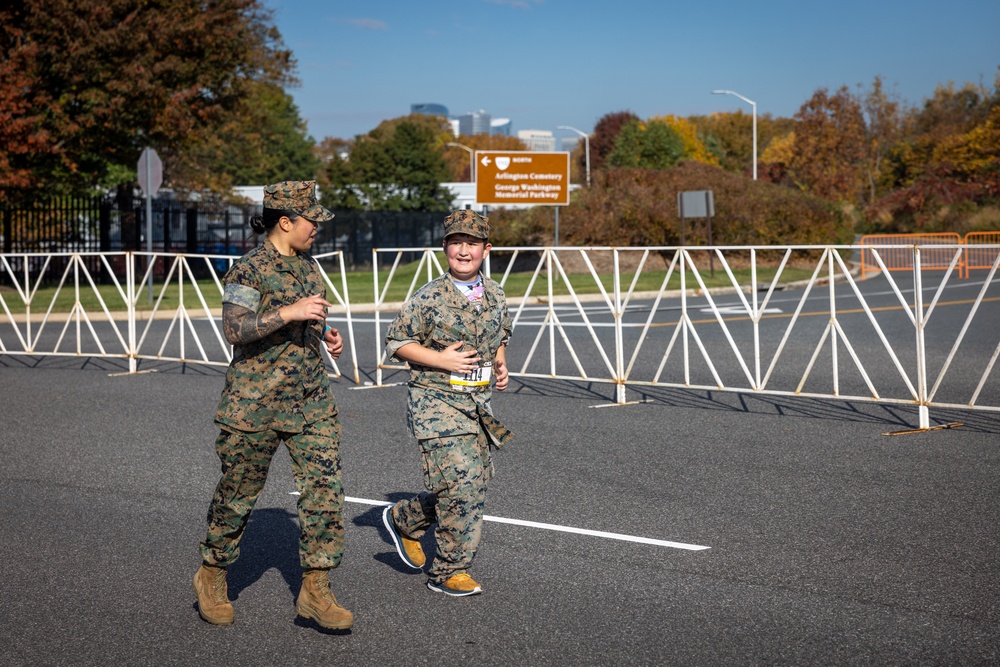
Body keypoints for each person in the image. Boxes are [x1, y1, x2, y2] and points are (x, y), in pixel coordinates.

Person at [193, 180, 353, 630]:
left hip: (311, 402)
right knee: (237, 497)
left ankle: (316, 591)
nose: (316, 229)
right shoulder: (249, 270)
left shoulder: (310, 267)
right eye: (311, 221)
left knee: (325, 493)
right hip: (254, 405)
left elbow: (310, 319)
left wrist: (326, 335)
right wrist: (290, 313)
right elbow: (235, 329)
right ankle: (212, 573)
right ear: (286, 221)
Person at [381, 209, 514, 597]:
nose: (463, 250)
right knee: (463, 482)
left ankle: (404, 518)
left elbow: (501, 333)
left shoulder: (496, 294)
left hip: (477, 405)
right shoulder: (429, 297)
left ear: (486, 250)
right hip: (434, 403)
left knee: (469, 483)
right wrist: (442, 359)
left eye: (471, 243)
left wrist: (501, 365)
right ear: (444, 248)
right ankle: (449, 571)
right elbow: (396, 341)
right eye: (456, 243)